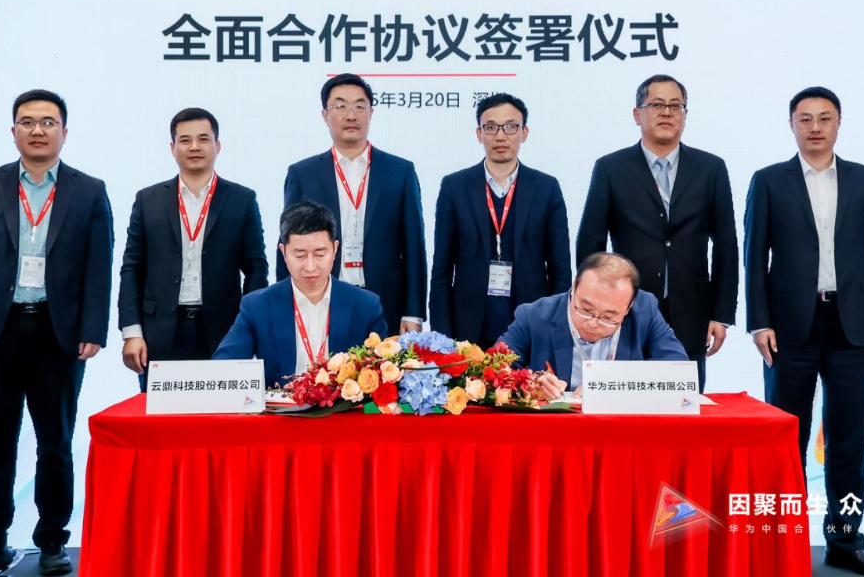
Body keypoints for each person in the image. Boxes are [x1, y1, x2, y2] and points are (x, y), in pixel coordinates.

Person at [0, 90, 113, 577]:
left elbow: (98, 266)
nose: (37, 130)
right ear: (13, 130)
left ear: (65, 131)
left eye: (48, 122)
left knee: (55, 444)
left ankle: (52, 541)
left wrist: (93, 328)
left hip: (58, 336)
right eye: (27, 122)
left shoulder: (89, 190)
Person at [744, 87, 864, 577]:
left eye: (824, 118)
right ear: (791, 124)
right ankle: (780, 542)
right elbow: (754, 256)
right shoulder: (769, 180)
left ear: (838, 123)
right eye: (805, 118)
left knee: (848, 439)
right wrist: (759, 320)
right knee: (786, 439)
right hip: (789, 326)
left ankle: (845, 541)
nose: (815, 127)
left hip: (852, 324)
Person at [575, 74, 738, 392]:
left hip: (691, 313)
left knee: (684, 406)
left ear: (685, 115)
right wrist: (592, 308)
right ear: (637, 114)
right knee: (622, 408)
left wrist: (721, 314)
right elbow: (591, 243)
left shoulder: (711, 168)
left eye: (676, 106)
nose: (667, 112)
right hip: (624, 311)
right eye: (657, 105)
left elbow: (726, 246)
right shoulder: (610, 168)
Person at [118, 108, 268, 390]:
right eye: (185, 140)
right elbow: (132, 269)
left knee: (221, 412)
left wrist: (249, 326)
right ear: (172, 148)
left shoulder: (242, 199)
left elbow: (256, 267)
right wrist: (131, 331)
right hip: (159, 332)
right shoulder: (148, 200)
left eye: (203, 139)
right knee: (162, 415)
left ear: (218, 145)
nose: (195, 147)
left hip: (224, 331)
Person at [277, 74, 427, 334]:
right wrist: (284, 304)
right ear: (325, 115)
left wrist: (413, 311)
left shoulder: (399, 171)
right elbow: (288, 242)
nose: (350, 115)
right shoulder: (303, 174)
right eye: (340, 106)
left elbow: (414, 246)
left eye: (359, 106)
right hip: (320, 298)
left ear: (371, 112)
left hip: (385, 301)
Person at [430, 93, 571, 347]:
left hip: (532, 327)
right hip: (468, 329)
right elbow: (442, 268)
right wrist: (442, 338)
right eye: (491, 127)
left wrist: (555, 328)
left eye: (510, 127)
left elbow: (560, 268)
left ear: (524, 133)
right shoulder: (455, 186)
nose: (501, 136)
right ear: (479, 134)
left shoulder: (546, 188)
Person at [214, 201, 388, 386]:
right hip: (280, 403)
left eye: (320, 254)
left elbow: (382, 371)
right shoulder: (257, 306)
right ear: (283, 252)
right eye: (300, 255)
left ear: (335, 249)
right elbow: (223, 366)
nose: (310, 266)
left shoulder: (366, 306)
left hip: (341, 404)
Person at [501, 253, 688, 399]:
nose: (593, 323)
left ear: (629, 306)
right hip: (555, 427)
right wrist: (529, 383)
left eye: (609, 317)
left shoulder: (645, 310)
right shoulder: (534, 316)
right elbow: (493, 372)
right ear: (574, 287)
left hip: (620, 427)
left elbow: (679, 371)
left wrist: (610, 383)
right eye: (586, 309)